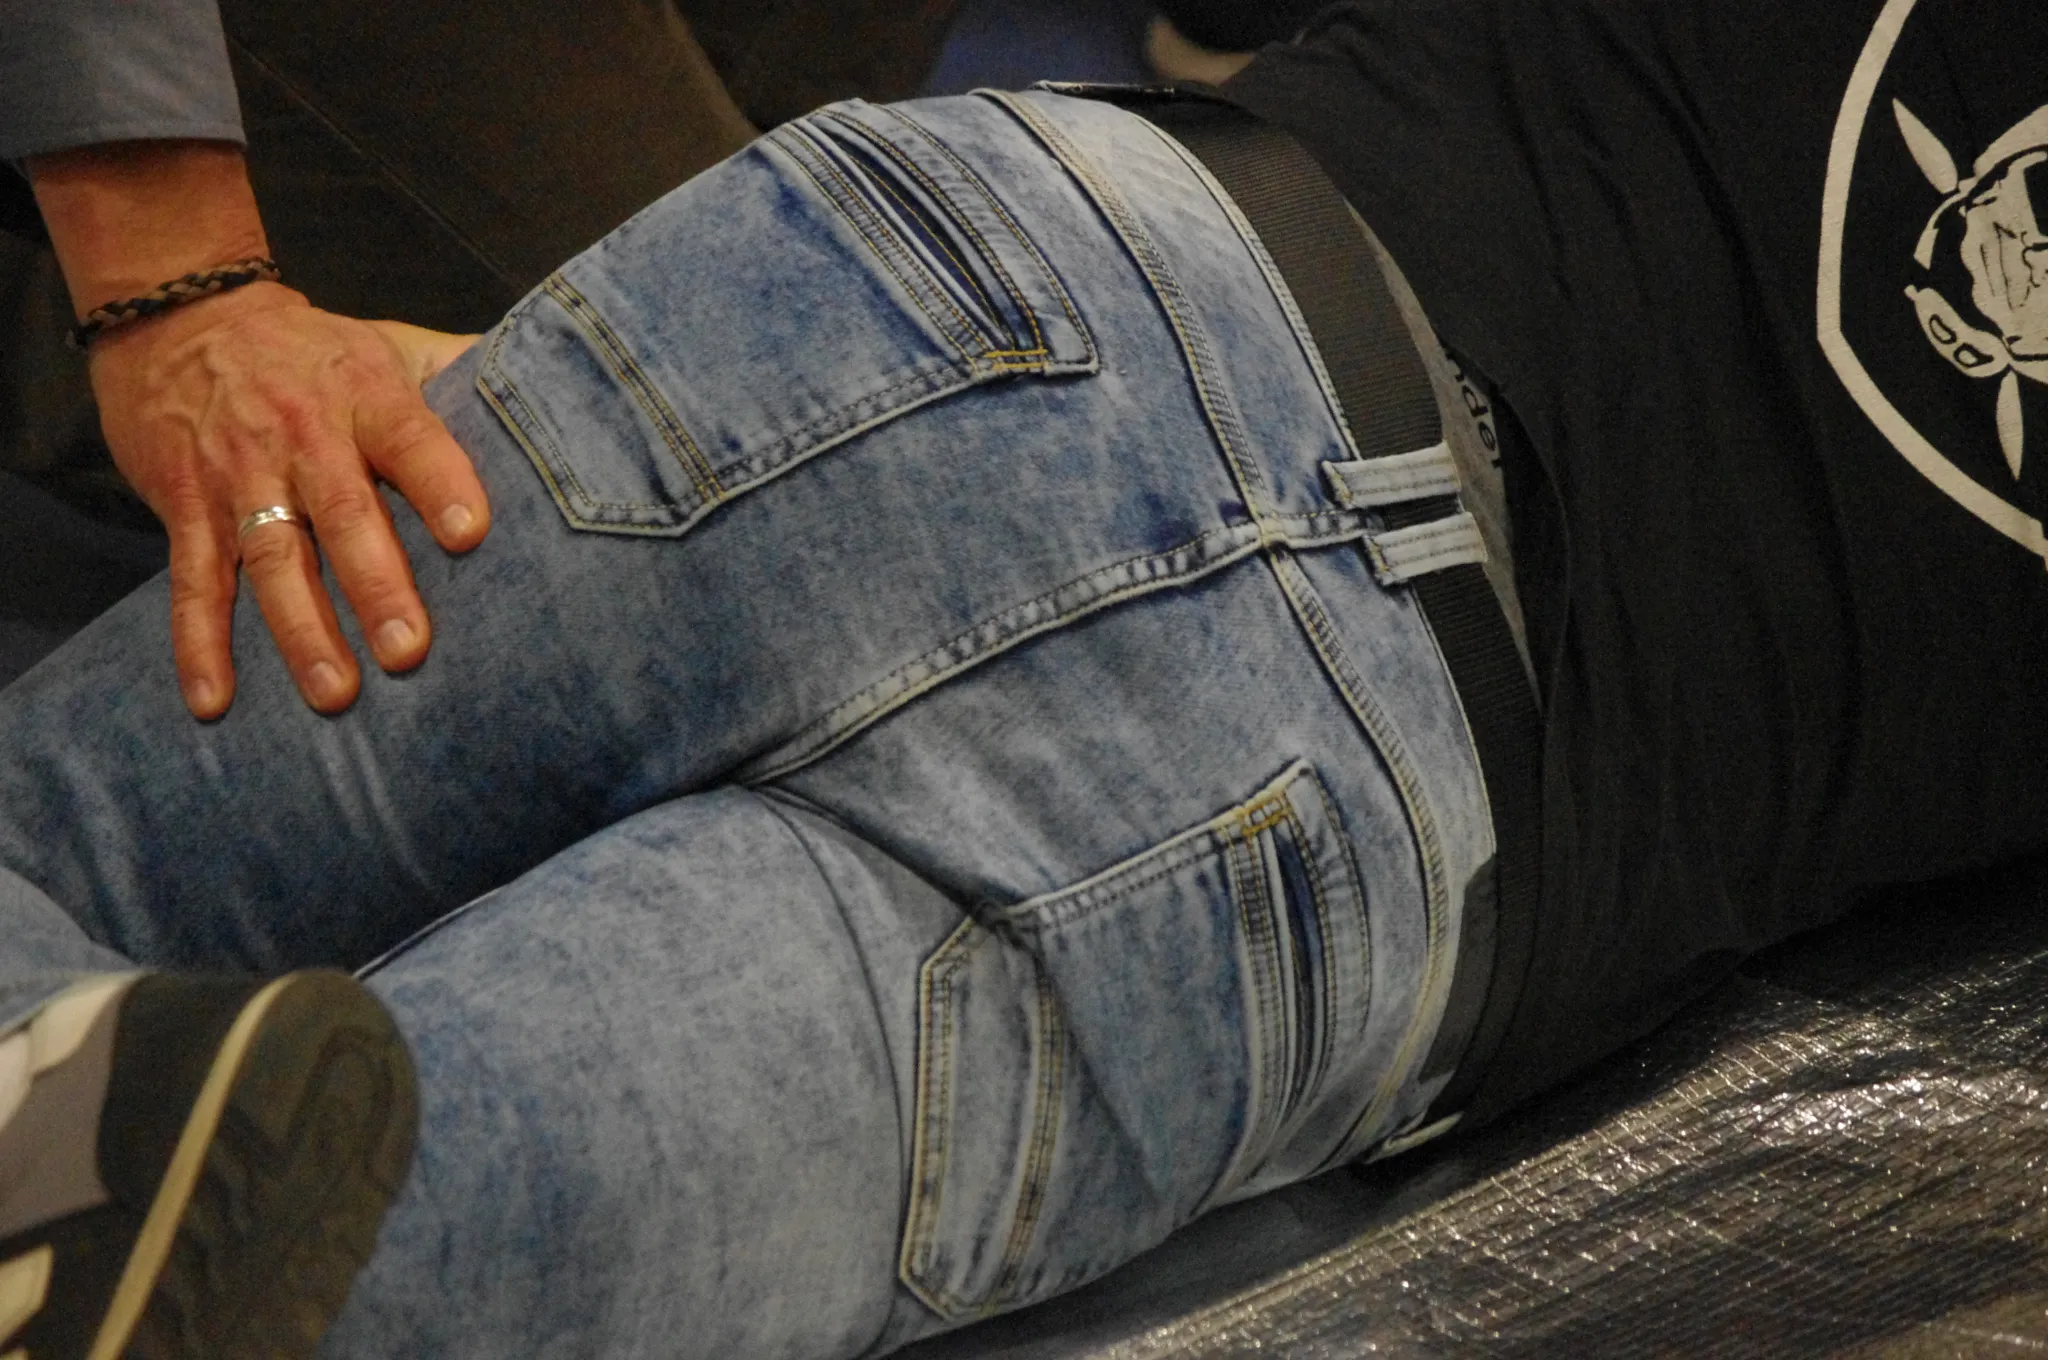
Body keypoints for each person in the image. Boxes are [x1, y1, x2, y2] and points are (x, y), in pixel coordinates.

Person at [7, 0, 2048, 1357]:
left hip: (1046, 274)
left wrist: (170, 262)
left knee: (81, 956)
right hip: (1340, 829)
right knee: (294, 1276)